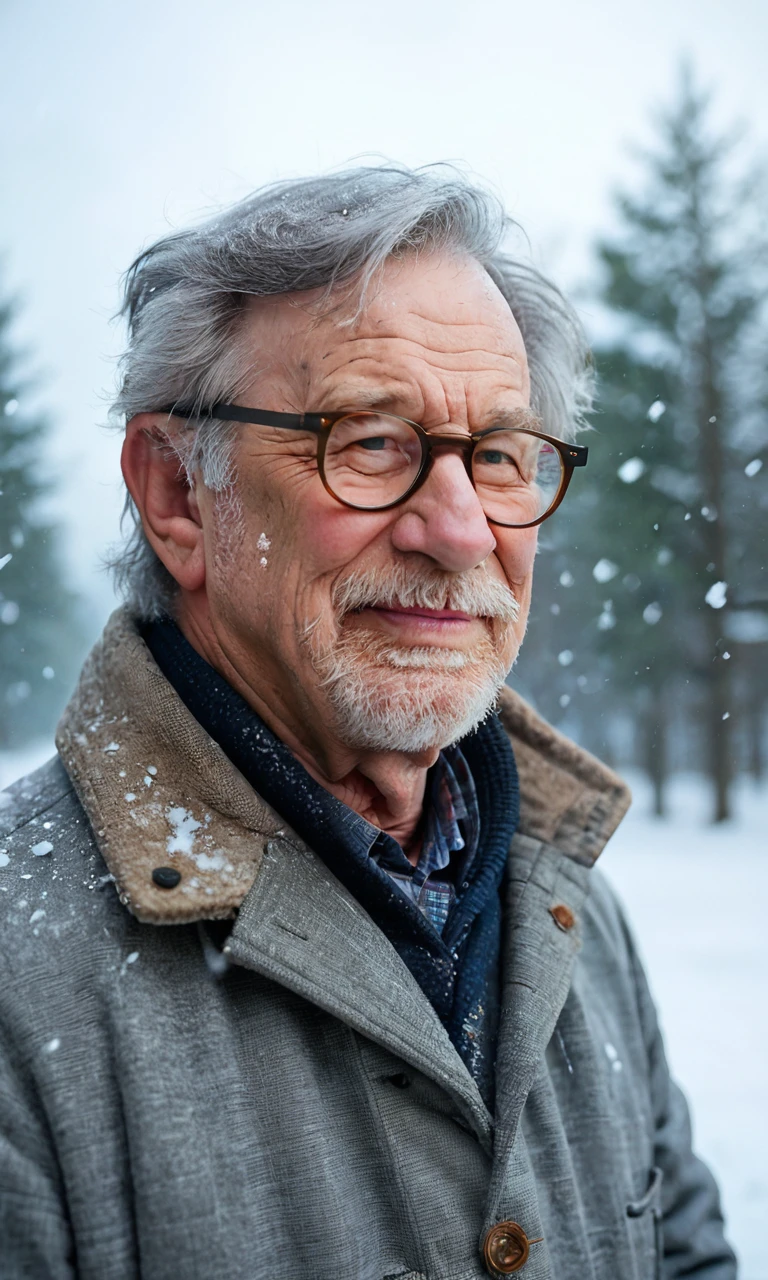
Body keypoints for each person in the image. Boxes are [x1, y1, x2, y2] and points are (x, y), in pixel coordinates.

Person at [0, 166, 736, 1280]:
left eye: (497, 454)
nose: (459, 529)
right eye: (373, 439)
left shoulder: (571, 897)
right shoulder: (18, 976)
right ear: (177, 496)